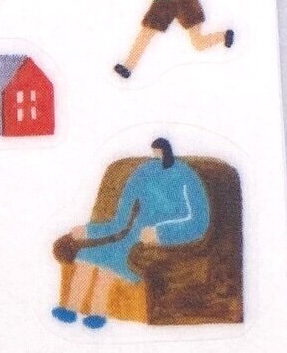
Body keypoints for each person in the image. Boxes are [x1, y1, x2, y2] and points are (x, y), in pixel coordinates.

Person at [54, 137, 210, 327]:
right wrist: (88, 231)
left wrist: (161, 233)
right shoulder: (144, 172)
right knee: (87, 256)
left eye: (158, 152)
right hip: (129, 235)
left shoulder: (186, 176)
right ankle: (69, 309)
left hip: (148, 244)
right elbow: (120, 222)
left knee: (108, 266)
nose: (155, 156)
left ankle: (97, 313)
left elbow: (199, 223)